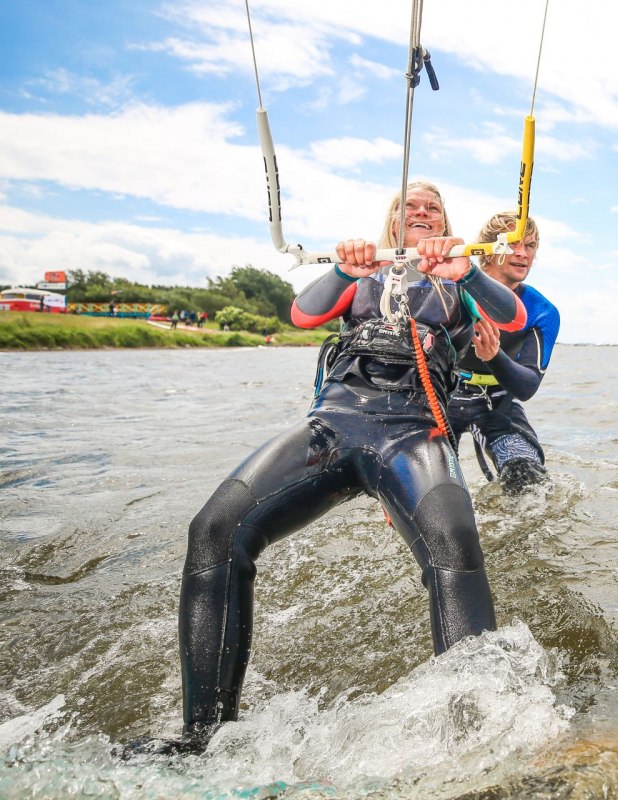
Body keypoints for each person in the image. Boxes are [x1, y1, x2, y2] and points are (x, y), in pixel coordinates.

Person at [146, 182, 527, 755]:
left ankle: (476, 744)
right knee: (215, 530)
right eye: (409, 206)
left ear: (445, 222)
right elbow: (303, 314)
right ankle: (201, 739)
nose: (420, 212)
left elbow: (513, 315)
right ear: (391, 222)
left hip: (415, 432)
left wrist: (466, 272)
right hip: (334, 426)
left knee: (455, 539)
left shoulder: (460, 279)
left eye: (432, 208)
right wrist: (349, 271)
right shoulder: (361, 275)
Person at [448, 211, 560, 494]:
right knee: (428, 484)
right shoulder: (449, 291)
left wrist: (494, 356)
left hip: (496, 403)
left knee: (529, 485)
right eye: (512, 243)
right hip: (443, 395)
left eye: (531, 246)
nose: (523, 253)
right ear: (487, 249)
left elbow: (527, 386)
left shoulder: (542, 310)